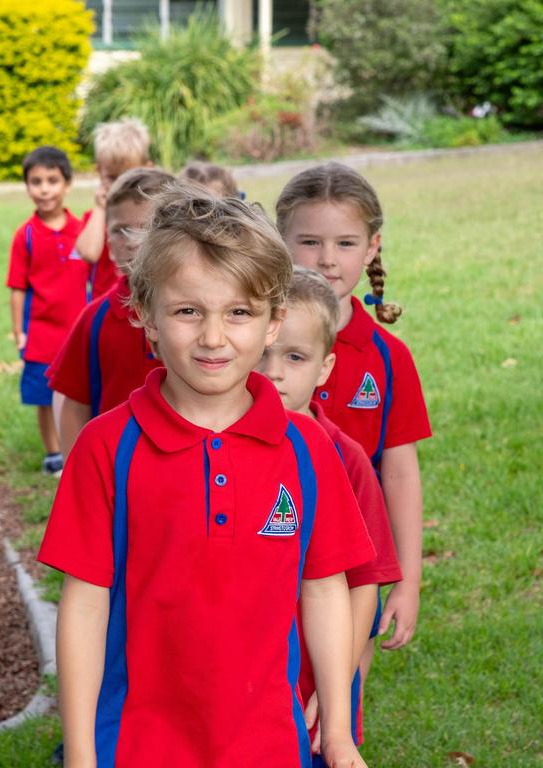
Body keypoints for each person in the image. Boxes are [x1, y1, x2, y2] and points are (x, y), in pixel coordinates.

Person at [40, 182, 374, 768]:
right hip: (137, 743)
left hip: (271, 741)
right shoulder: (105, 449)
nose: (214, 338)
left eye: (239, 313)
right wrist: (81, 755)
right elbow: (84, 608)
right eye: (188, 311)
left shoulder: (309, 452)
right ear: (145, 314)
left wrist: (340, 736)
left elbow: (324, 590)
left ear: (274, 322)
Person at [275, 163, 431, 657]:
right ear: (279, 241)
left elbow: (401, 474)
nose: (326, 259)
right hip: (268, 546)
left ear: (372, 247)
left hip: (355, 564)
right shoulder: (257, 340)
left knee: (341, 692)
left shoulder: (388, 357)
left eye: (345, 243)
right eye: (309, 241)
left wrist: (407, 583)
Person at [255, 267, 402, 763]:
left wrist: (338, 681)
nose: (273, 372)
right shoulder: (218, 449)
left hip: (318, 679)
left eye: (295, 357)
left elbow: (364, 583)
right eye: (261, 354)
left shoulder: (346, 458)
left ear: (325, 368)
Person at [48, 167, 172, 458]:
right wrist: (77, 473)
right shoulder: (96, 318)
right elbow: (74, 403)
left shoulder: (202, 311)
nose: (131, 240)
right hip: (116, 470)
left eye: (145, 228)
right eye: (120, 230)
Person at [6, 146, 92, 475]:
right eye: (36, 181)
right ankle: (53, 452)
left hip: (77, 331)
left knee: (78, 393)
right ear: (27, 187)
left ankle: (80, 446)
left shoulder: (82, 230)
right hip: (41, 333)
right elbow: (17, 287)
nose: (44, 189)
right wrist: (18, 331)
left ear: (67, 184)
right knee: (43, 397)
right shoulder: (24, 235)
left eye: (52, 181)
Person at [75, 118, 152, 299]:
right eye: (112, 177)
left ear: (147, 169)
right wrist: (101, 208)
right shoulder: (96, 216)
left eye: (129, 175)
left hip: (146, 304)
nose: (120, 184)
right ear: (99, 171)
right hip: (106, 305)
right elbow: (88, 253)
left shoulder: (154, 212)